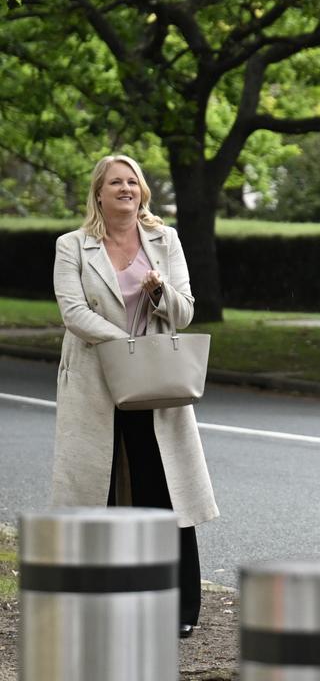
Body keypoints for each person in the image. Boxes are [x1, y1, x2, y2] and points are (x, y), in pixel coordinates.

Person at [50, 154, 219, 639]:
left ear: (142, 191)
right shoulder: (73, 246)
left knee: (164, 492)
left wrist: (159, 289)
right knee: (95, 493)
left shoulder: (165, 241)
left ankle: (181, 606)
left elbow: (184, 312)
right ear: (99, 193)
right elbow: (73, 311)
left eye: (133, 182)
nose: (126, 189)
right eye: (116, 183)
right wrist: (123, 347)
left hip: (155, 383)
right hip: (94, 382)